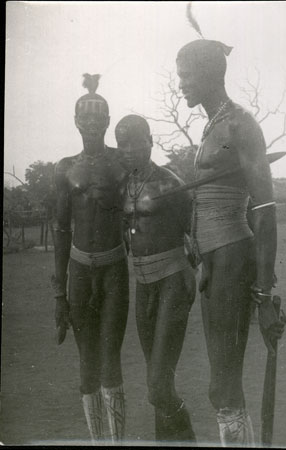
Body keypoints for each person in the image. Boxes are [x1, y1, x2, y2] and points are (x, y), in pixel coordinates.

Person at [176, 39, 286, 446]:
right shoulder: (211, 123)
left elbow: (266, 207)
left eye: (185, 75)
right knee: (220, 386)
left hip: (232, 256)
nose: (181, 85)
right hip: (212, 261)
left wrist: (264, 290)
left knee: (223, 385)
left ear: (208, 74)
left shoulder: (240, 124)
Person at [52, 74, 129, 444]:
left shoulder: (122, 163)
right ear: (76, 121)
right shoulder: (65, 168)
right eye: (86, 119)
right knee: (87, 363)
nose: (93, 125)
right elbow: (61, 230)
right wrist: (58, 294)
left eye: (100, 119)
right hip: (80, 273)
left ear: (109, 121)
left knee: (111, 359)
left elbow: (143, 208)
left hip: (115, 269)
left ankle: (116, 442)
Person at [115, 114, 197, 444]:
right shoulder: (123, 184)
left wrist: (193, 274)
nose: (129, 150)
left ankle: (188, 440)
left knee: (158, 385)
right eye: (122, 144)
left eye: (135, 142)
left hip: (172, 280)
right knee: (157, 382)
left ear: (150, 141)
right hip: (143, 284)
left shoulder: (171, 184)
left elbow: (195, 233)